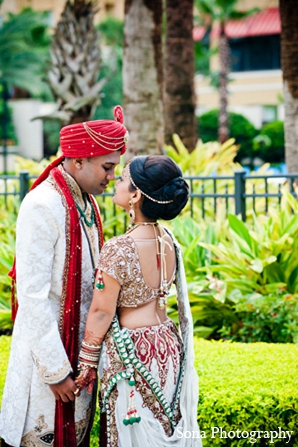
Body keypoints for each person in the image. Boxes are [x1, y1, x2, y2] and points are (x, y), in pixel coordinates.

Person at [0, 106, 128, 447]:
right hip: (49, 365)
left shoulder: (87, 202)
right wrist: (55, 373)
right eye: (107, 167)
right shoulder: (42, 204)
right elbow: (31, 295)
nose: (112, 177)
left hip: (79, 357)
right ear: (78, 161)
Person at [75, 155, 202, 447]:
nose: (115, 182)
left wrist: (87, 363)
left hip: (133, 354)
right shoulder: (169, 240)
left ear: (135, 195)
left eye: (122, 179)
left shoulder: (118, 248)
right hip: (168, 347)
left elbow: (100, 312)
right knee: (167, 422)